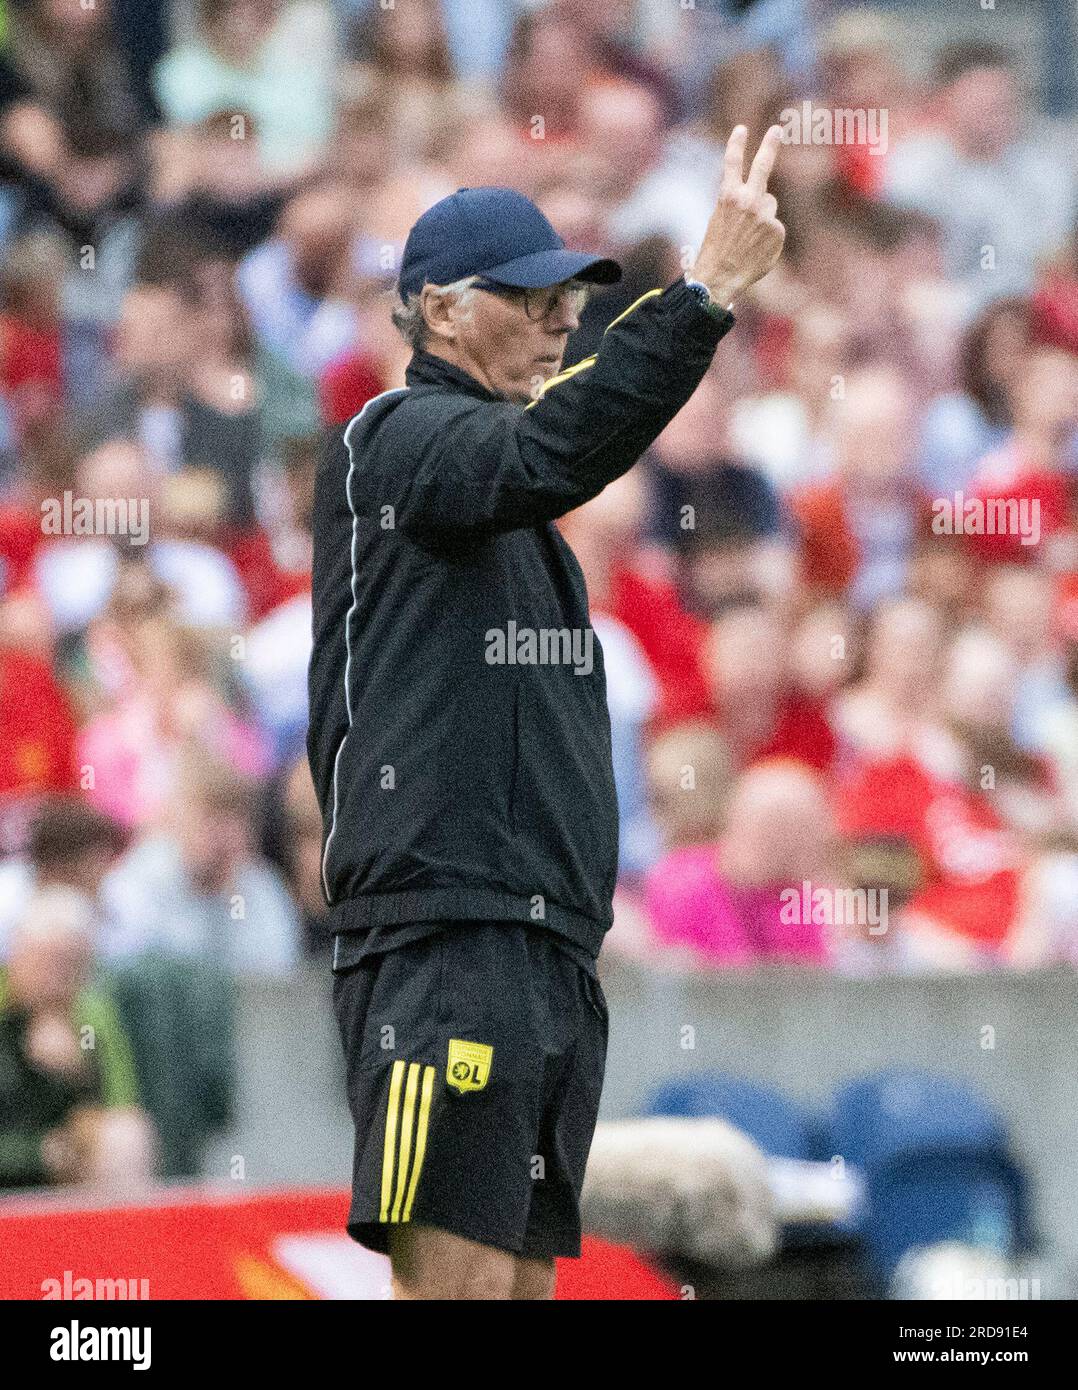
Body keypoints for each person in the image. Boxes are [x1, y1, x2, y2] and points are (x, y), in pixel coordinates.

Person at [308, 125, 787, 1299]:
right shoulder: (396, 439)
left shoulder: (509, 507)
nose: (560, 315)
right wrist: (703, 294)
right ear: (437, 310)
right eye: (527, 297)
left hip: (536, 951)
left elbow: (548, 452)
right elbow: (556, 448)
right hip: (446, 942)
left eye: (570, 293)